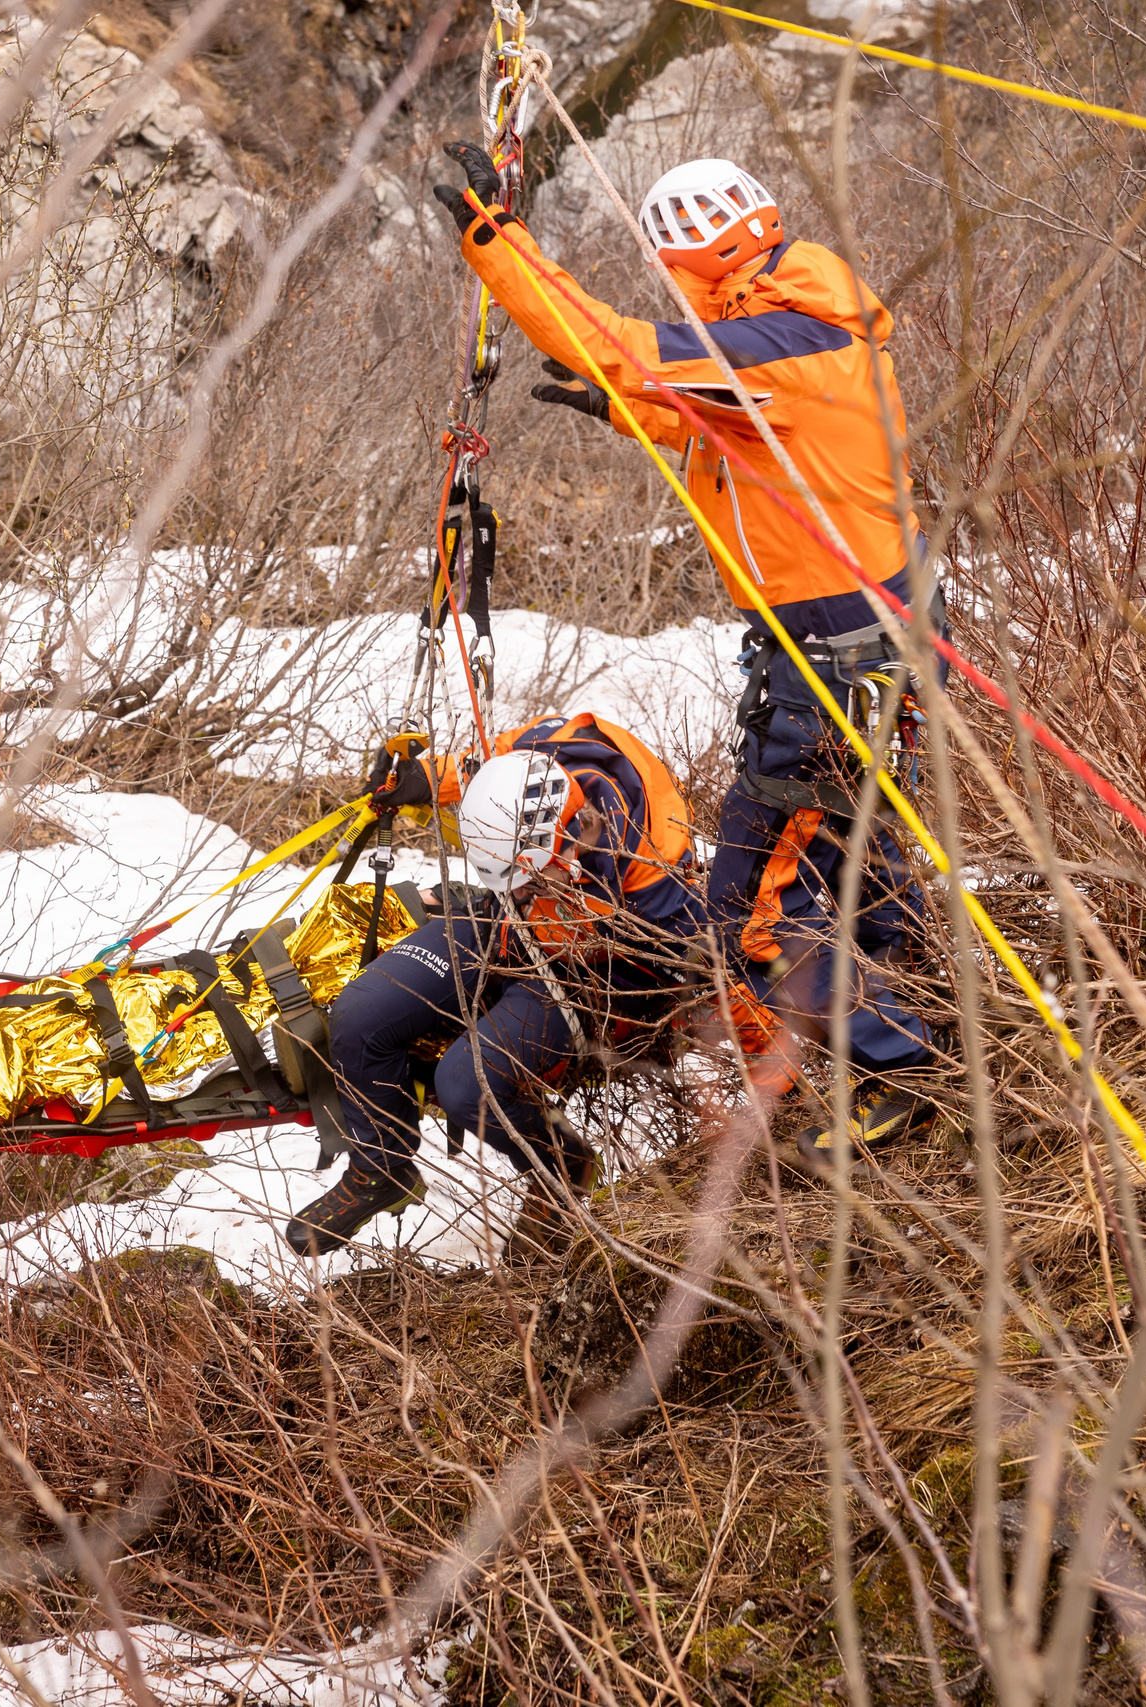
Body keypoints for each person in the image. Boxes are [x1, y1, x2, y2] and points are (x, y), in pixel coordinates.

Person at [429, 142, 938, 1150]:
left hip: (835, 655)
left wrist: (496, 241)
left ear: (692, 260)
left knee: (752, 909)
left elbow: (616, 345)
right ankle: (924, 1028)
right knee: (858, 857)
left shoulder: (788, 333)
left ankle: (899, 1062)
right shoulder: (806, 325)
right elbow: (738, 432)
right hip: (852, 643)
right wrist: (629, 414)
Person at [285, 713, 704, 1259]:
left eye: (532, 880)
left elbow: (684, 969)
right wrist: (427, 779)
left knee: (466, 1084)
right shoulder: (537, 757)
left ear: (567, 843)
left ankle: (563, 1167)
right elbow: (478, 767)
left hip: (587, 972)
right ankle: (379, 1169)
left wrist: (770, 1071)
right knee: (362, 1012)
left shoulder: (651, 870)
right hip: (503, 920)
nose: (527, 889)